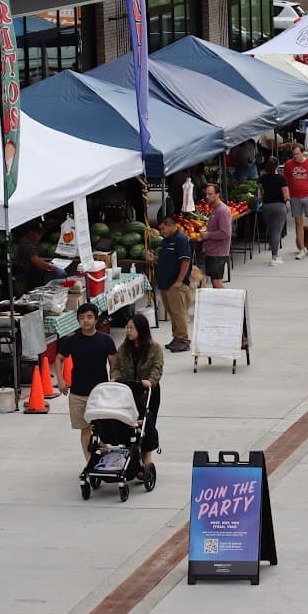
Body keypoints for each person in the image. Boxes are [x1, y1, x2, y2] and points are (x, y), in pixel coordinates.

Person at [58, 303, 117, 459]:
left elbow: (114, 365)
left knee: (102, 429)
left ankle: (105, 459)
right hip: (78, 393)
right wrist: (61, 380)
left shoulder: (106, 341)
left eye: (89, 317)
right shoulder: (71, 340)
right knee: (85, 430)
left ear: (96, 319)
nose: (86, 321)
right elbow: (59, 359)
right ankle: (90, 463)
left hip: (100, 394)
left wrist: (112, 383)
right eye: (82, 318)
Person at [112, 312, 163, 477]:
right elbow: (117, 366)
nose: (128, 331)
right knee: (129, 426)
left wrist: (150, 381)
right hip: (127, 392)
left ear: (141, 329)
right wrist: (115, 377)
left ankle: (146, 461)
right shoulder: (124, 348)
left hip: (147, 392)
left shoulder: (154, 348)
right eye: (127, 328)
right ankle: (133, 463)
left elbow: (157, 367)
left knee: (146, 425)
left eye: (131, 328)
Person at [147, 212, 194, 353]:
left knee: (178, 313)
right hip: (165, 284)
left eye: (163, 229)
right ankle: (176, 337)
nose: (161, 232)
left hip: (175, 284)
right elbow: (164, 260)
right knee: (172, 313)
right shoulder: (165, 241)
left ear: (172, 226)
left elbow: (185, 260)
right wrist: (153, 259)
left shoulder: (181, 239)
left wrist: (179, 281)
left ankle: (184, 340)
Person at [283, 143, 308, 260]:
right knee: (298, 222)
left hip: (307, 195)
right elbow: (286, 180)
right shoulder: (288, 165)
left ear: (303, 152)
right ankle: (301, 249)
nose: (295, 156)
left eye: (297, 154)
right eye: (293, 154)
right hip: (295, 197)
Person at [259, 155, 291, 266]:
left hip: (266, 206)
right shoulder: (282, 179)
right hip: (279, 206)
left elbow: (259, 191)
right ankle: (274, 256)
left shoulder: (263, 178)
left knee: (271, 229)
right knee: (276, 231)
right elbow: (286, 195)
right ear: (277, 165)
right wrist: (288, 205)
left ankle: (272, 247)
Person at [199, 182, 231, 288]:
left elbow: (225, 232)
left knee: (217, 282)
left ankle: (225, 302)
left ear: (217, 194)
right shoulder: (215, 209)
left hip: (218, 253)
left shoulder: (223, 210)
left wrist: (208, 235)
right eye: (206, 194)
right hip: (212, 251)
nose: (207, 197)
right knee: (214, 281)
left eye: (210, 194)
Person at [13, 223, 62, 290]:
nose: (40, 236)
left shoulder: (31, 243)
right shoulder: (27, 245)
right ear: (31, 232)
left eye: (41, 233)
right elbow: (36, 261)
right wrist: (54, 268)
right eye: (38, 233)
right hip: (26, 280)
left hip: (32, 278)